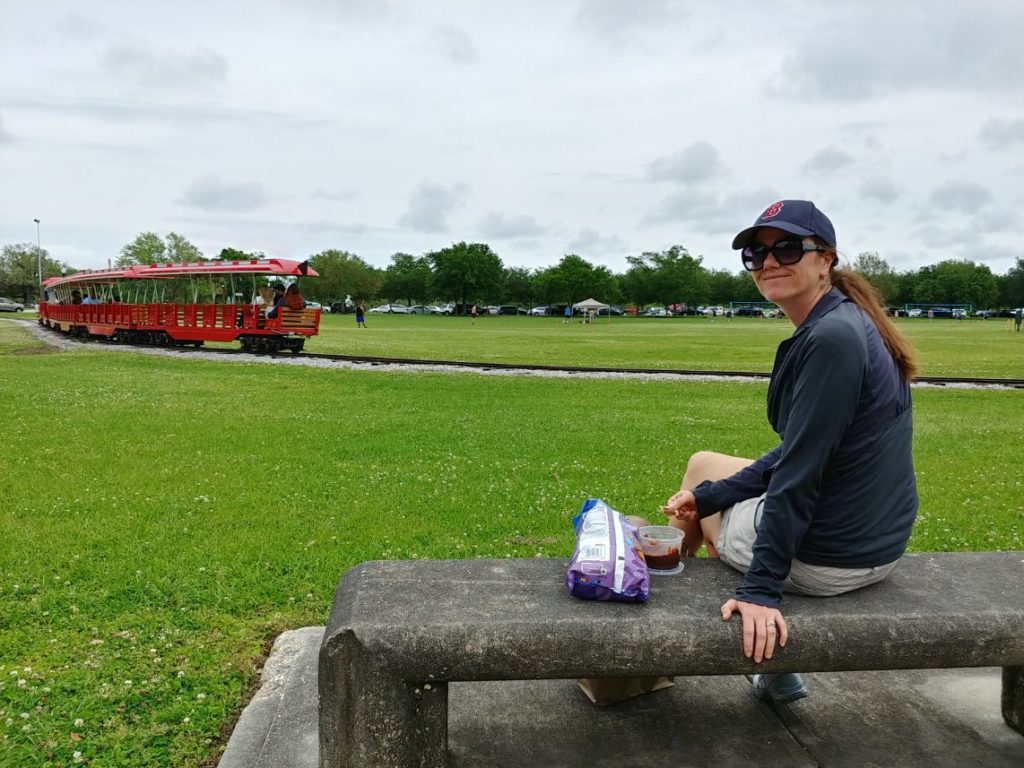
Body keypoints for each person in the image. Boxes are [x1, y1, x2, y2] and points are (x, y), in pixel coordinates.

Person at [662, 199, 919, 705]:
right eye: (756, 254)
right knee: (703, 471)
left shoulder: (831, 340)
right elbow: (800, 450)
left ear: (826, 259)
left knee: (702, 495)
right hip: (877, 544)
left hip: (831, 558)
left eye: (787, 248)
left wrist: (761, 591)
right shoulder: (849, 320)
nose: (769, 262)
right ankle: (755, 657)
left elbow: (798, 476)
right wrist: (712, 496)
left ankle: (666, 636)